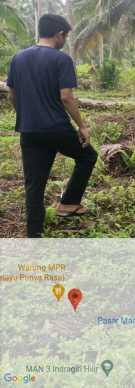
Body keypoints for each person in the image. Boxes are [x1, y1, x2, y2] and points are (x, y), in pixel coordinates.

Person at [6, 14, 98, 238]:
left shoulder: (18, 58)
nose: (65, 40)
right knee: (87, 156)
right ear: (59, 34)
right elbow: (66, 97)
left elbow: (12, 94)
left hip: (29, 131)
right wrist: (82, 126)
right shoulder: (61, 59)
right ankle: (68, 203)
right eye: (65, 36)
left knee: (34, 186)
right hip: (57, 129)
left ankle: (34, 237)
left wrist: (27, 115)